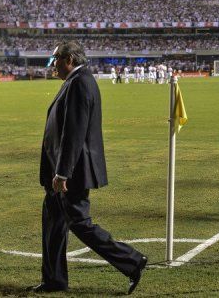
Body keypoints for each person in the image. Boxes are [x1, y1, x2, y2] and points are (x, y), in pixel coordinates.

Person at [33, 41, 147, 295]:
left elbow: (74, 132)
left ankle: (132, 261)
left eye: (56, 61)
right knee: (53, 225)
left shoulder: (80, 83)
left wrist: (62, 172)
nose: (53, 66)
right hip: (60, 170)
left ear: (69, 59)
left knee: (79, 222)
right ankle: (54, 280)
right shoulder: (75, 81)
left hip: (71, 172)